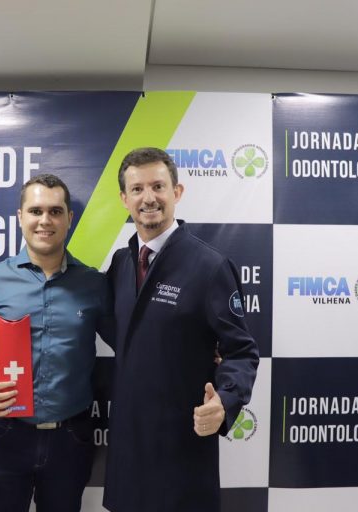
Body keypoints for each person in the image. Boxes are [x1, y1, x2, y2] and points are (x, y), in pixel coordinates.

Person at [103, 147, 259, 512]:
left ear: (177, 192)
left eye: (158, 186)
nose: (148, 198)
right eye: (137, 189)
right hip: (128, 445)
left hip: (181, 447)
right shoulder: (121, 263)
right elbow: (124, 334)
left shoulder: (209, 266)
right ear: (124, 199)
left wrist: (225, 400)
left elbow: (241, 351)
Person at [0, 174, 107, 512]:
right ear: (20, 217)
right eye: (36, 211)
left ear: (69, 218)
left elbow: (132, 341)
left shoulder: (93, 284)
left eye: (55, 211)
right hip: (7, 435)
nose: (45, 220)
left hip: (71, 439)